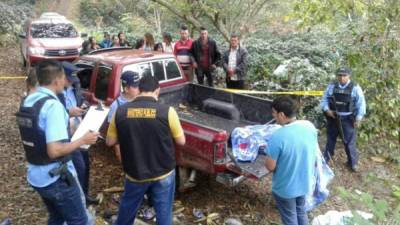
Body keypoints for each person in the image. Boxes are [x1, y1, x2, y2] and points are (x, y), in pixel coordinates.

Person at [16, 60, 99, 225]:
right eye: (63, 78)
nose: (65, 81)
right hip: (56, 177)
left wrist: (68, 117)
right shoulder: (53, 106)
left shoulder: (30, 101)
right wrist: (83, 140)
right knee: (79, 220)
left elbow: (40, 132)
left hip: (36, 175)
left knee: (57, 217)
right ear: (56, 80)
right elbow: (54, 150)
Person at [106, 74, 185, 225]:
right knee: (164, 212)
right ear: (157, 91)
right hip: (163, 172)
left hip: (135, 173)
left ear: (140, 89)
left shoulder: (120, 111)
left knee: (127, 209)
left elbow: (110, 141)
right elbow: (181, 141)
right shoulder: (167, 111)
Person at [264, 96, 317, 225]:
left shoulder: (278, 136)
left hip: (286, 188)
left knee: (289, 218)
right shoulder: (309, 126)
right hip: (304, 182)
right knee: (300, 211)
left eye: (274, 113)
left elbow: (270, 166)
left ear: (281, 114)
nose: (273, 116)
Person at [59, 61, 98, 205]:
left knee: (85, 165)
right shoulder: (55, 93)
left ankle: (85, 195)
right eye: (69, 80)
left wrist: (84, 106)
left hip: (80, 130)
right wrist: (69, 113)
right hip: (67, 136)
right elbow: (55, 114)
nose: (72, 83)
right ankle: (77, 199)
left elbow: (81, 99)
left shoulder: (74, 87)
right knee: (78, 167)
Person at [320, 67, 366, 172]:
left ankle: (352, 163)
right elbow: (324, 99)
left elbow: (361, 103)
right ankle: (326, 159)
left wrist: (358, 118)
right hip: (333, 117)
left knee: (349, 142)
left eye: (344, 75)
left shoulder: (355, 87)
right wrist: (327, 109)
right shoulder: (332, 86)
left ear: (349, 76)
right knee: (330, 140)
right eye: (339, 75)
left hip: (348, 119)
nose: (341, 77)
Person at [107, 71, 140, 161]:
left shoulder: (140, 100)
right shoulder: (116, 106)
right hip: (127, 148)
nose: (139, 89)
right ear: (126, 89)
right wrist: (119, 153)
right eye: (135, 87)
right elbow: (113, 132)